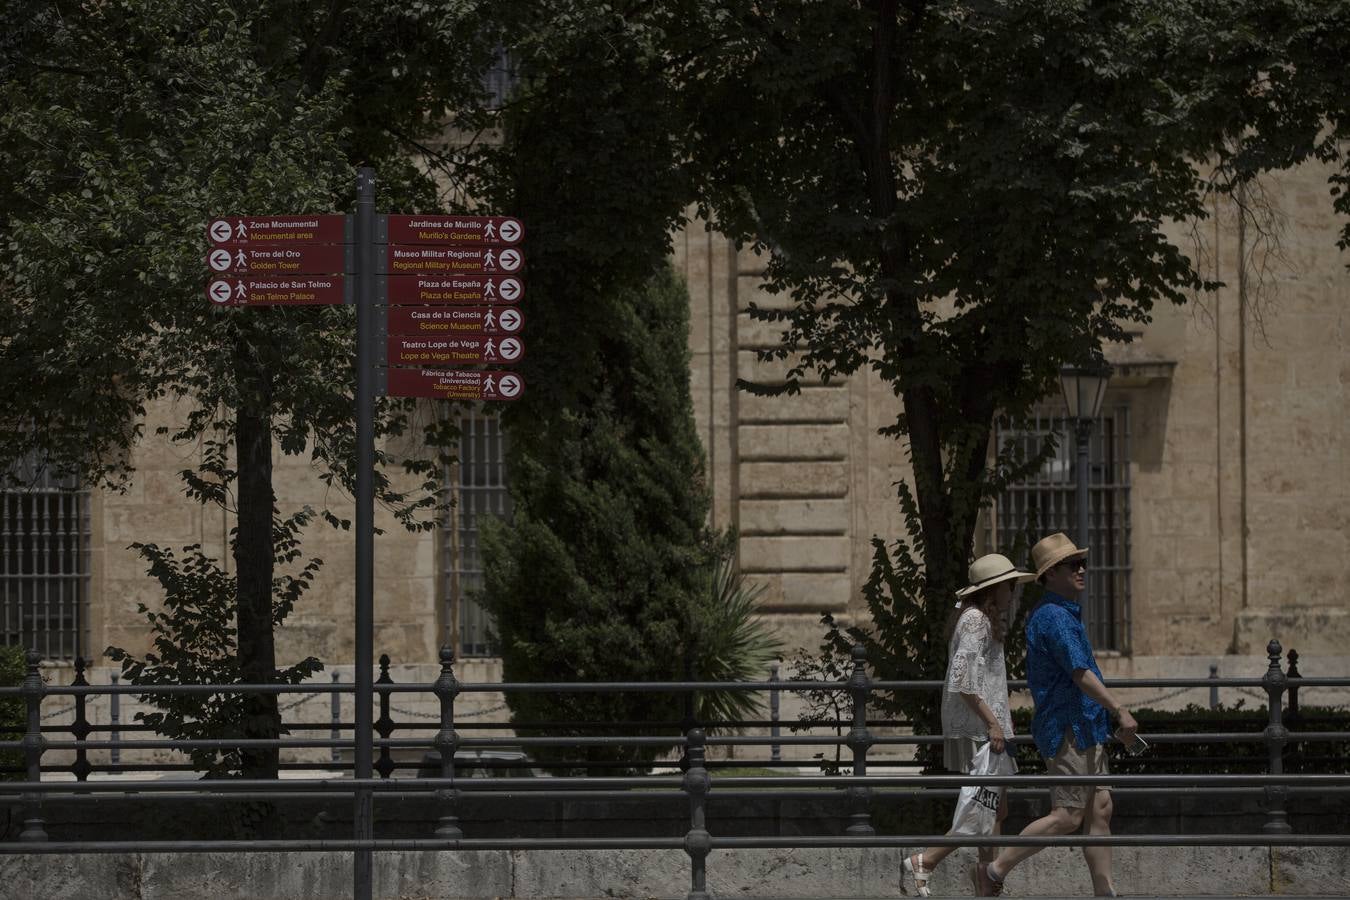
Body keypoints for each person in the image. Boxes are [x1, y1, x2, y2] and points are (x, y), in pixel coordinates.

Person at [973, 533, 1139, 897]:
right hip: (1069, 728)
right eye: (1071, 565)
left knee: (1100, 809)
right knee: (1068, 814)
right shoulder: (1054, 617)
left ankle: (1104, 892)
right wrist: (1119, 709)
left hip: (1085, 726)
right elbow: (1080, 673)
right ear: (1049, 575)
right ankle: (994, 870)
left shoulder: (1061, 613)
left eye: (1082, 563)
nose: (1081, 569)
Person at [901, 553, 1034, 897]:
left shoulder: (976, 618)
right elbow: (963, 681)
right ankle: (926, 861)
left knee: (994, 808)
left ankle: (984, 883)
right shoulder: (976, 621)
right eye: (1009, 584)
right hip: (984, 729)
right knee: (984, 807)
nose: (1013, 590)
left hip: (990, 727)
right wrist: (993, 723)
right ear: (993, 589)